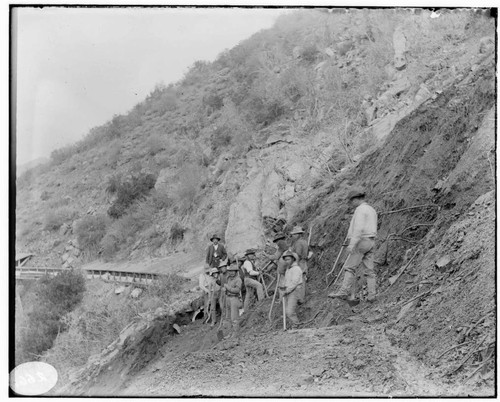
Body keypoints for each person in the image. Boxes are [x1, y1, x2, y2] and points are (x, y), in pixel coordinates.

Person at [328, 188, 378, 303]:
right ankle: (372, 295)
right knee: (370, 271)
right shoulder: (371, 209)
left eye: (351, 201)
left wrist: (352, 244)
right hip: (371, 241)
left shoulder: (360, 210)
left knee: (349, 267)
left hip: (361, 241)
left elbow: (359, 228)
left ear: (356, 199)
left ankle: (344, 291)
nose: (350, 203)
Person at [279, 250, 303, 327]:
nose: (287, 261)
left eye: (288, 259)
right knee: (287, 311)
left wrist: (286, 291)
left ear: (293, 259)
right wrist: (284, 287)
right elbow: (287, 281)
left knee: (290, 312)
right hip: (288, 291)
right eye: (285, 260)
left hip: (294, 291)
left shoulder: (296, 269)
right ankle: (293, 325)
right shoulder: (288, 269)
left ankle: (296, 325)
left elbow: (294, 282)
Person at [223, 261, 243, 337]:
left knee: (234, 317)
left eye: (232, 271)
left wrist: (228, 288)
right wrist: (224, 290)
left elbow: (237, 290)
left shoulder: (238, 280)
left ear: (235, 271)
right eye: (230, 271)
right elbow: (226, 288)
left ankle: (235, 333)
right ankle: (229, 333)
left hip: (234, 299)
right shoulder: (228, 279)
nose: (231, 273)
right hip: (228, 298)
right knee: (228, 317)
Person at [290, 226, 309, 303]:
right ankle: (302, 297)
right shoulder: (304, 241)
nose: (293, 236)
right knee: (302, 279)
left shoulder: (298, 243)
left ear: (298, 234)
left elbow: (297, 255)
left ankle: (300, 298)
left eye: (294, 234)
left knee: (299, 280)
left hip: (299, 262)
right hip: (304, 262)